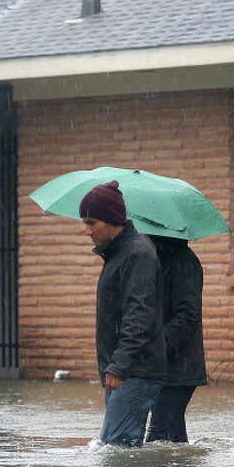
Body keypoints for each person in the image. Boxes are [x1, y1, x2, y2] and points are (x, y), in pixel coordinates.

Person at [79, 180, 167, 447]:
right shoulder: (118, 255)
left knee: (118, 450)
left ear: (111, 219)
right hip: (124, 370)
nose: (86, 231)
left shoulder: (136, 255)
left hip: (134, 371)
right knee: (116, 449)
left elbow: (139, 316)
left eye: (91, 222)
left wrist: (119, 365)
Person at [145, 235, 207, 443]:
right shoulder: (161, 260)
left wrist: (157, 346)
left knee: (158, 441)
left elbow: (188, 315)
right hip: (163, 367)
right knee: (173, 441)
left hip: (178, 369)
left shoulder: (183, 262)